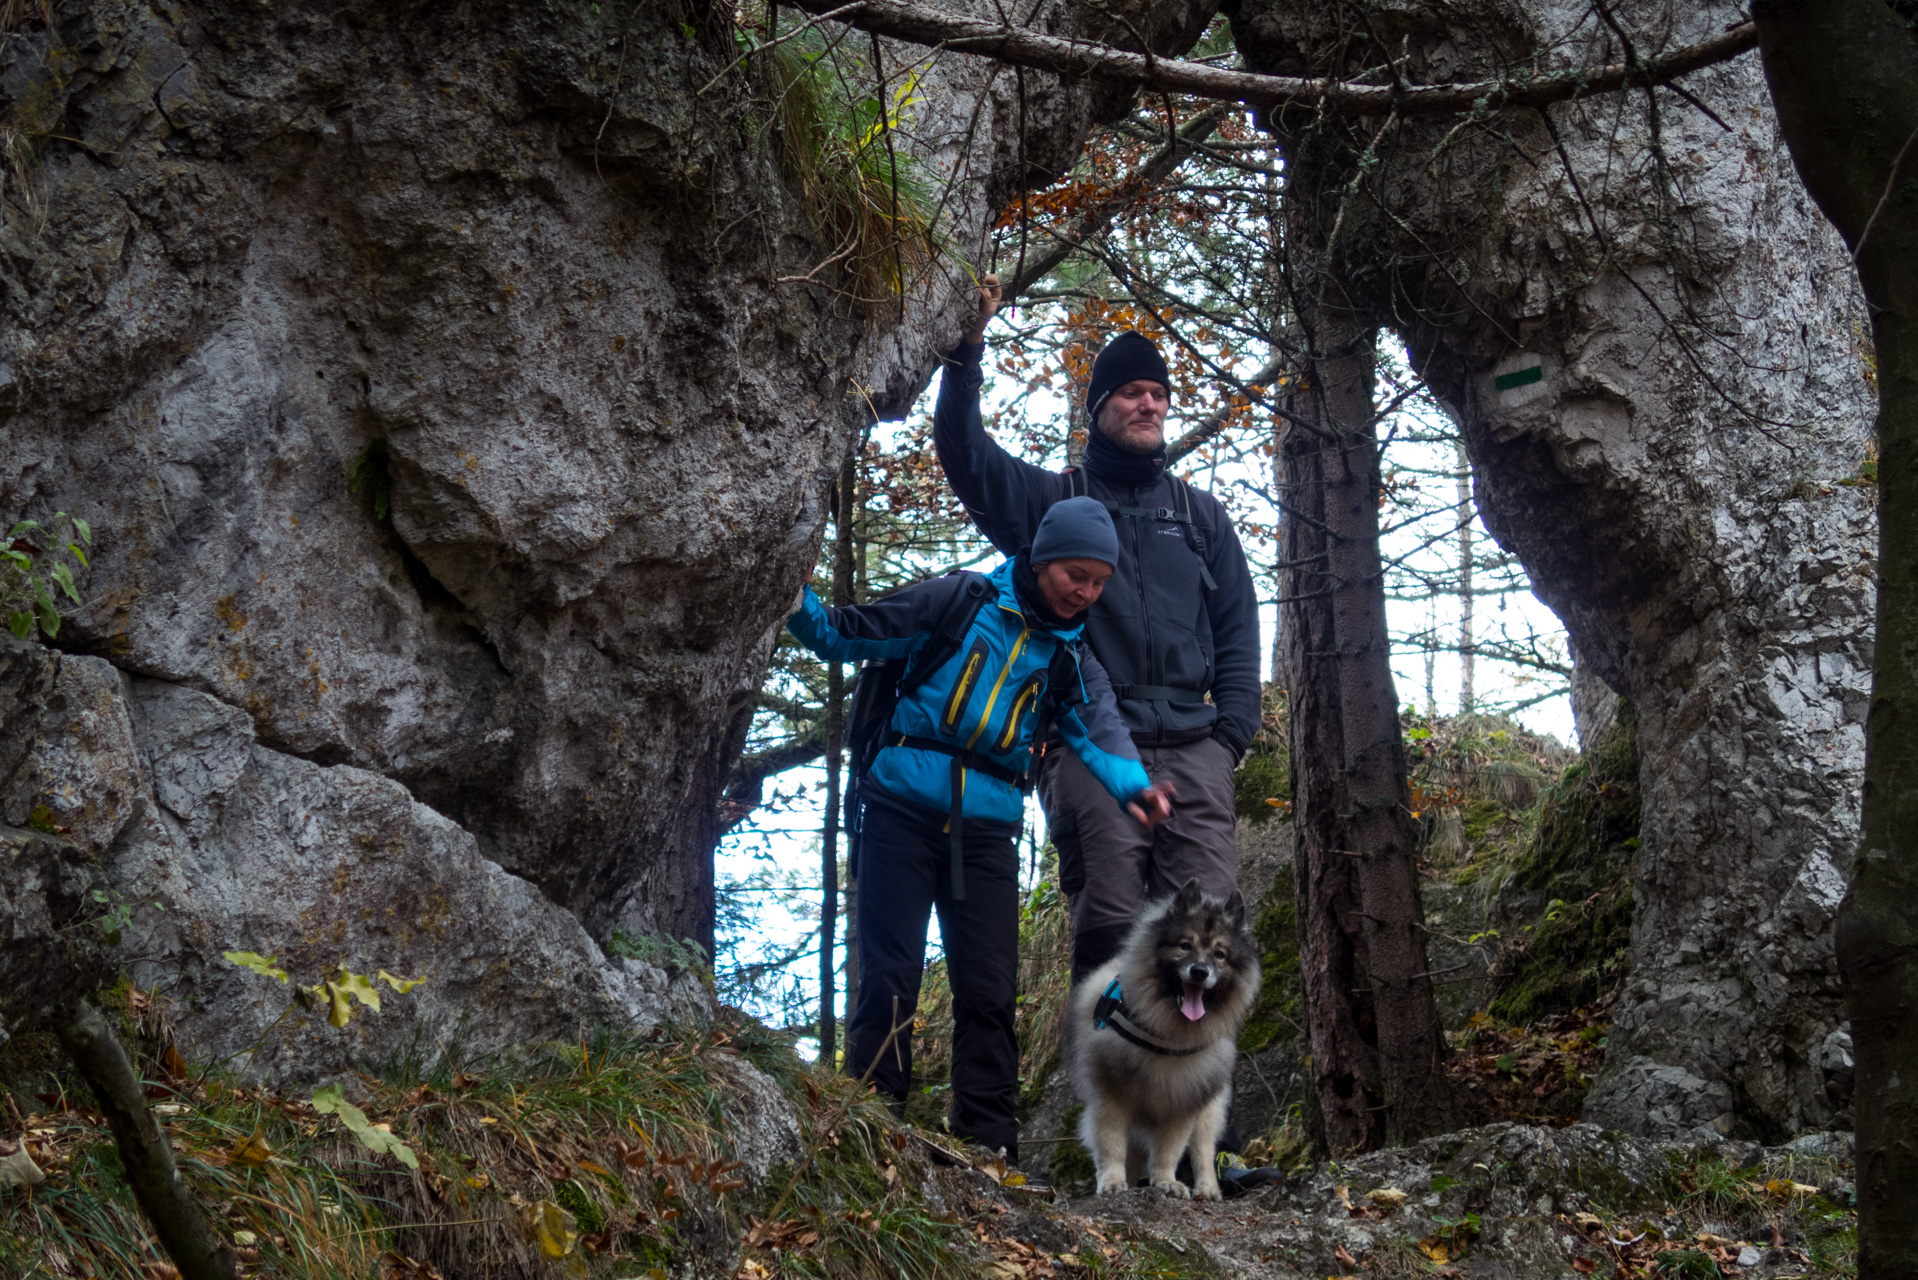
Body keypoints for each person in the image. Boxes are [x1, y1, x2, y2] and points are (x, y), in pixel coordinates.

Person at [786, 497, 1173, 1165]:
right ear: (1043, 559)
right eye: (1075, 575)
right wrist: (789, 595)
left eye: (1098, 582)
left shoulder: (1068, 657)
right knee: (890, 974)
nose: (1085, 592)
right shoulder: (960, 602)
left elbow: (1099, 729)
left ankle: (990, 1151)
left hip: (988, 831)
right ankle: (870, 1131)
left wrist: (1136, 789)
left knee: (990, 991)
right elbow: (849, 633)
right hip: (899, 812)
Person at [933, 276, 1263, 986]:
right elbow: (968, 459)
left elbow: (1238, 624)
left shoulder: (1202, 516)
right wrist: (966, 356)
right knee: (1110, 936)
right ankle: (1103, 1098)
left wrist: (1230, 736)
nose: (1149, 402)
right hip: (1089, 751)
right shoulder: (1057, 503)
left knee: (1208, 945)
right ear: (1098, 406)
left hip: (1196, 747)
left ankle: (1197, 1102)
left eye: (1159, 392)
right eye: (1131, 391)